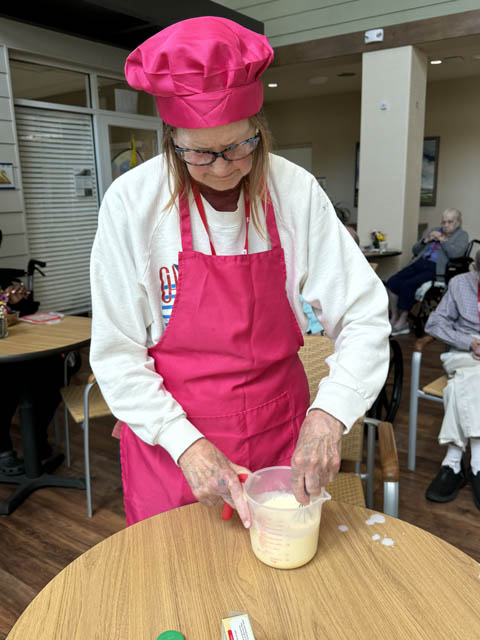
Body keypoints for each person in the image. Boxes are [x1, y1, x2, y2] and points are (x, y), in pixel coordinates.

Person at [90, 16, 390, 528]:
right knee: (179, 590)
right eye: (201, 153)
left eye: (239, 146)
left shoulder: (293, 190)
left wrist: (330, 412)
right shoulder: (132, 204)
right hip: (173, 448)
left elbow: (363, 314)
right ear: (171, 140)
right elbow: (117, 355)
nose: (224, 167)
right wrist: (187, 446)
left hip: (280, 437)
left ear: (260, 130)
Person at [424, 250, 480, 509]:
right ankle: (478, 465)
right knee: (472, 377)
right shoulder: (460, 284)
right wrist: (469, 341)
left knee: (456, 388)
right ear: (474, 268)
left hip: (466, 372)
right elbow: (434, 325)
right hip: (463, 354)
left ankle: (453, 462)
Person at [0, 284, 57, 474]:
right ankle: (3, 450)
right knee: (7, 383)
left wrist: (15, 303)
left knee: (53, 368)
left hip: (10, 352)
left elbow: (15, 320)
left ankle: (36, 437)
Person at [386, 208, 468, 336]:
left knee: (408, 284)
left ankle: (403, 321)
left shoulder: (462, 235)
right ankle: (394, 316)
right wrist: (426, 240)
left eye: (450, 222)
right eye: (443, 222)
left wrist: (442, 239)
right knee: (392, 282)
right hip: (419, 263)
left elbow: (455, 254)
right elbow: (415, 250)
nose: (446, 225)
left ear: (458, 222)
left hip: (436, 268)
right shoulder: (433, 230)